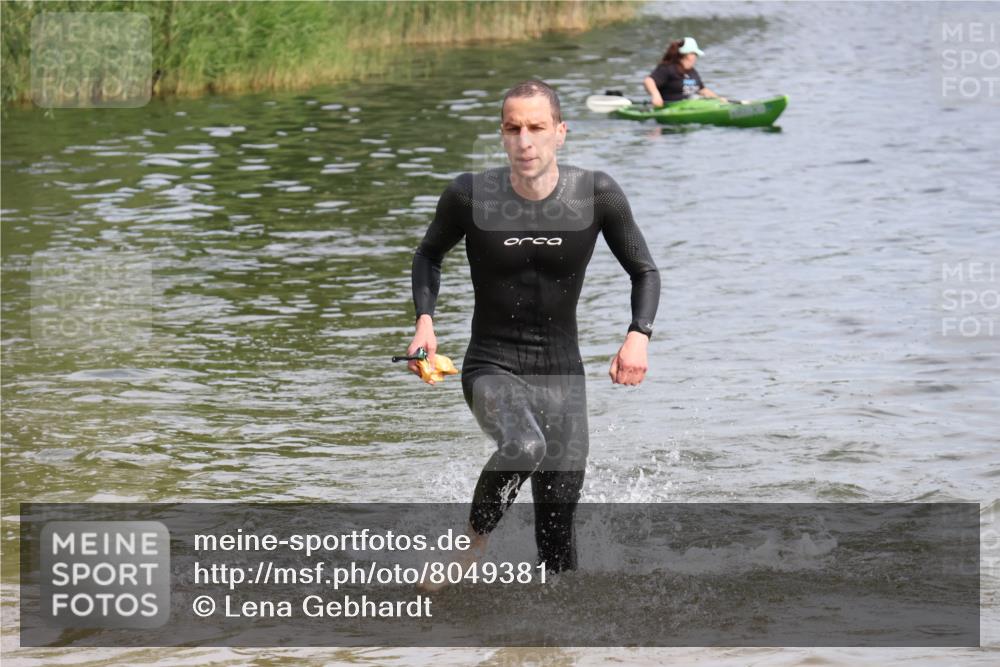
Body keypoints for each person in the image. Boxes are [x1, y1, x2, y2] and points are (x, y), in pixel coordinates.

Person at [407, 79, 660, 587]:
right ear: (502, 135)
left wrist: (639, 334)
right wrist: (425, 322)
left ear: (560, 132)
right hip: (492, 363)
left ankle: (551, 628)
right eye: (513, 128)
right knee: (523, 446)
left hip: (563, 375)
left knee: (558, 544)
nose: (525, 141)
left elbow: (645, 271)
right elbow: (428, 254)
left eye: (536, 128)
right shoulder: (469, 195)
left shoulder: (596, 194)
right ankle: (470, 547)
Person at [643, 36, 728, 107]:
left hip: (693, 104)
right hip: (673, 107)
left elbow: (702, 90)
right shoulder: (668, 68)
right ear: (687, 55)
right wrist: (656, 96)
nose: (696, 57)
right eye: (695, 54)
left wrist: (718, 99)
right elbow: (648, 81)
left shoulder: (692, 71)